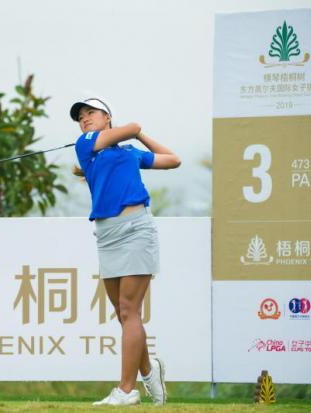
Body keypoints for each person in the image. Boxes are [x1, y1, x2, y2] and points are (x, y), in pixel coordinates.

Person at [70, 98, 181, 406]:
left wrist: (138, 135)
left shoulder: (130, 152)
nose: (84, 119)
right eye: (80, 116)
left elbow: (173, 160)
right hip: (106, 236)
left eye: (91, 113)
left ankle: (127, 390)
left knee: (130, 311)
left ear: (107, 117)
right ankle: (150, 370)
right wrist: (129, 131)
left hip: (136, 229)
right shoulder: (85, 144)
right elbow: (130, 127)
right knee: (123, 314)